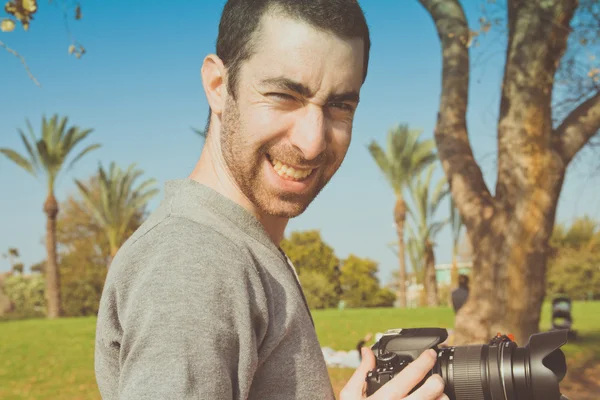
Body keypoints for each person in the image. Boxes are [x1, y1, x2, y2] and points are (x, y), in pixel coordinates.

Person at [94, 1, 447, 399]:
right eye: (283, 95)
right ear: (218, 87)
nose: (312, 142)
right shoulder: (194, 256)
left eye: (340, 105)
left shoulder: (239, 246)